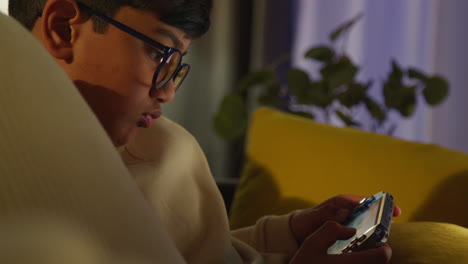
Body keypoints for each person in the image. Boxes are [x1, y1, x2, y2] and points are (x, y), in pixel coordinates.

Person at [8, 0, 400, 263]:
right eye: (161, 53)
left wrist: (290, 233)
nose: (168, 91)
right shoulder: (30, 185)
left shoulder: (164, 147)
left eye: (177, 62)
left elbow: (204, 253)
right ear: (63, 28)